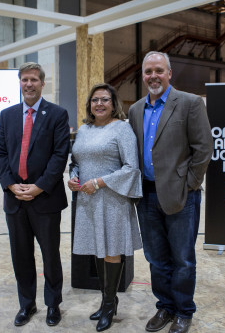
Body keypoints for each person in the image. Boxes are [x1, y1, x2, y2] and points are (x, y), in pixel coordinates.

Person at [128, 51, 214, 333]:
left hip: (181, 196)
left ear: (169, 73)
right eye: (148, 71)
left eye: (158, 70)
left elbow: (203, 149)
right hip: (147, 196)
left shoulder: (189, 103)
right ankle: (165, 307)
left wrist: (189, 183)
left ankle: (184, 311)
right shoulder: (135, 110)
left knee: (183, 259)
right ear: (143, 76)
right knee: (155, 258)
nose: (153, 76)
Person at [0, 62, 70, 327]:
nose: (29, 84)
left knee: (50, 255)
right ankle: (27, 304)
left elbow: (60, 155)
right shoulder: (7, 115)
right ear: (20, 82)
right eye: (25, 80)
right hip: (15, 199)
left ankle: (53, 304)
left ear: (42, 83)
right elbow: (0, 153)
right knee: (21, 256)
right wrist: (10, 185)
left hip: (45, 199)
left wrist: (39, 186)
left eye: (34, 80)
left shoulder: (57, 115)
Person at [68, 83, 142, 332]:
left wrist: (99, 182)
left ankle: (109, 306)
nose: (99, 104)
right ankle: (107, 300)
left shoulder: (122, 129)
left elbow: (131, 167)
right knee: (97, 251)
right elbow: (76, 160)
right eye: (95, 99)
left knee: (111, 250)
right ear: (89, 104)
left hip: (112, 200)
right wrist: (74, 176)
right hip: (88, 200)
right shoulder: (84, 129)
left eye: (105, 100)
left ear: (114, 104)